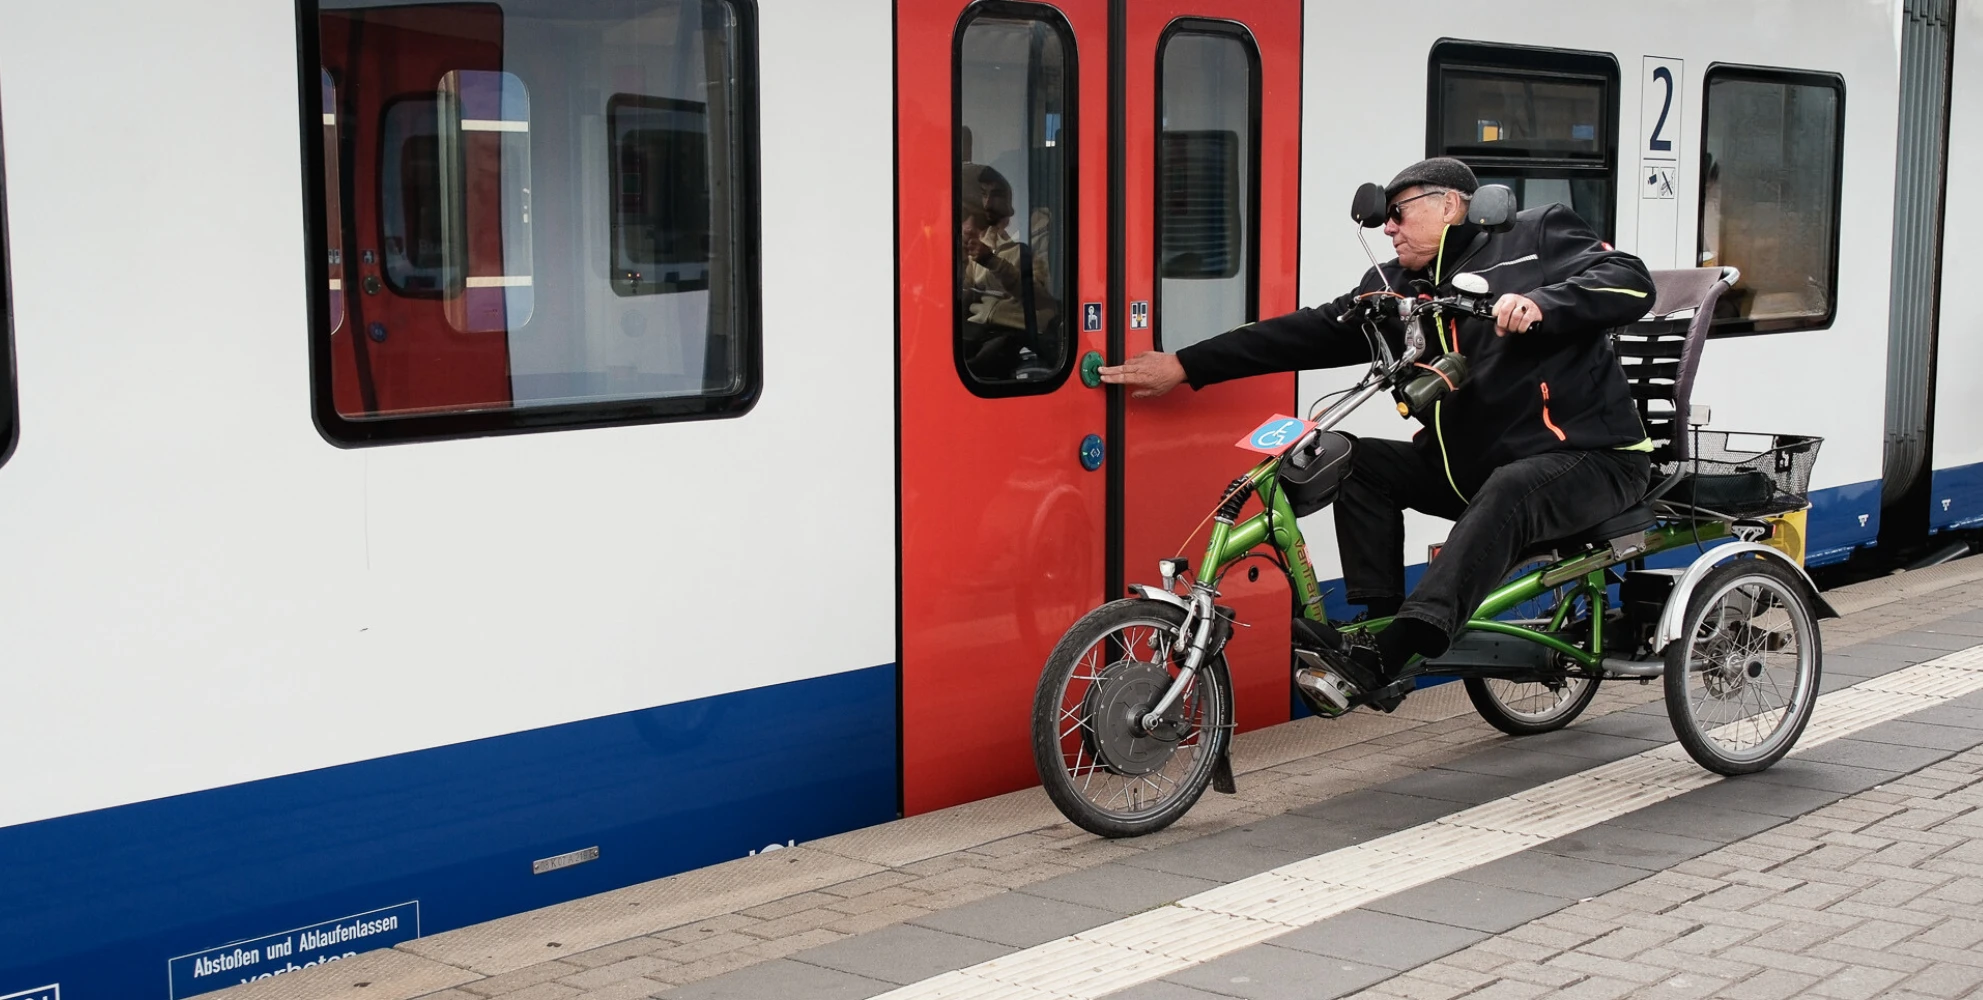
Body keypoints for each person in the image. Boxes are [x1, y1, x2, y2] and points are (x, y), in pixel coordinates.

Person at [1099, 157, 1656, 712]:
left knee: (1514, 485)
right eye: (1384, 217)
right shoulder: (1395, 288)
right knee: (1358, 463)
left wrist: (1542, 303)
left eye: (1398, 212)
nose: (1387, 227)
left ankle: (1395, 649)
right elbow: (1302, 334)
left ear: (1450, 205)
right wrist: (1186, 365)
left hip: (1591, 458)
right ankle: (1375, 619)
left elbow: (1630, 281)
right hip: (1471, 470)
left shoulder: (1537, 236)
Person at [958, 163, 1059, 380]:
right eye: (983, 194)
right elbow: (968, 287)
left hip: (1016, 332)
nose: (987, 203)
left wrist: (991, 261)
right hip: (982, 328)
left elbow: (1040, 298)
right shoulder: (984, 239)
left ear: (1011, 200)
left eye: (995, 195)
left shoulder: (1031, 239)